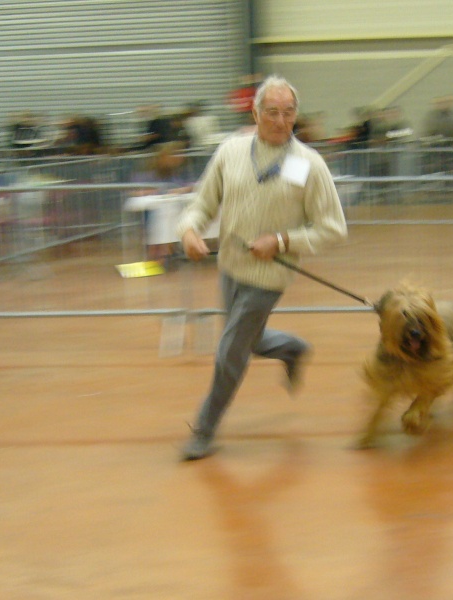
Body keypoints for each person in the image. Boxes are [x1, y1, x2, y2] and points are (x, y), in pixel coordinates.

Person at [176, 75, 348, 460]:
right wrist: (188, 230)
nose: (281, 120)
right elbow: (202, 203)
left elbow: (333, 228)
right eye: (272, 112)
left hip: (270, 276)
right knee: (248, 341)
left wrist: (283, 241)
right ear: (255, 113)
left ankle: (204, 429)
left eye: (289, 112)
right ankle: (291, 347)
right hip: (230, 267)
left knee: (230, 350)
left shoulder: (308, 165)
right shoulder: (231, 152)